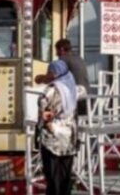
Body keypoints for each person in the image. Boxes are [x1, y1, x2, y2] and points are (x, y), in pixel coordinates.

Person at [36, 60, 78, 195]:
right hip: (69, 138)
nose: (47, 74)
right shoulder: (71, 89)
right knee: (65, 176)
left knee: (53, 178)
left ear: (54, 73)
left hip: (52, 138)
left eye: (49, 71)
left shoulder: (52, 90)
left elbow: (42, 105)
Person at [36, 40, 91, 117]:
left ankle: (45, 120)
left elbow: (51, 77)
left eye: (57, 50)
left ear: (61, 49)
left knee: (46, 99)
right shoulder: (78, 58)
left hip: (74, 97)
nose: (56, 54)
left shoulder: (63, 60)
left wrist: (39, 78)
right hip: (85, 97)